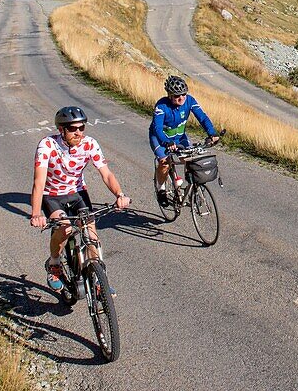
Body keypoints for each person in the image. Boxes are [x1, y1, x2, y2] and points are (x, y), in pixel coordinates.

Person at [29, 106, 131, 292]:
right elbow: (39, 182)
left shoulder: (90, 144)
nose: (78, 133)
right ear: (61, 130)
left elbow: (106, 174)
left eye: (81, 128)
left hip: (77, 193)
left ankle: (100, 280)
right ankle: (54, 263)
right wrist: (36, 213)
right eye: (72, 129)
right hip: (52, 195)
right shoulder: (47, 146)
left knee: (91, 234)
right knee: (65, 227)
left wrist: (120, 195)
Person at [151, 75, 219, 206]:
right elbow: (158, 128)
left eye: (183, 94)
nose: (181, 98)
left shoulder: (189, 101)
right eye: (177, 96)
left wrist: (212, 133)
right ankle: (161, 190)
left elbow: (202, 117)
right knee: (164, 163)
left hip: (179, 137)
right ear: (170, 96)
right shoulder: (161, 106)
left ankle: (193, 188)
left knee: (190, 159)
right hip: (160, 139)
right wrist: (166, 142)